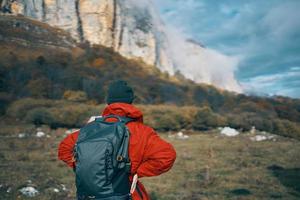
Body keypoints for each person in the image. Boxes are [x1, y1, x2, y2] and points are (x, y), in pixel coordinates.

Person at [58, 80, 177, 200]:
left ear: (108, 102)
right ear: (131, 101)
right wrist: (137, 173)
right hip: (125, 193)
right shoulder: (141, 131)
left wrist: (85, 165)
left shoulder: (91, 128)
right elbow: (167, 156)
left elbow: (64, 149)